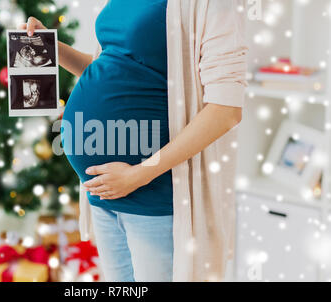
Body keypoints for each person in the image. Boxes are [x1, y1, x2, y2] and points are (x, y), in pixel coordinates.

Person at [20, 0, 248, 282]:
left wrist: (139, 174)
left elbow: (226, 110)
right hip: (103, 192)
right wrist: (51, 48)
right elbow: (114, 66)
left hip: (154, 194)